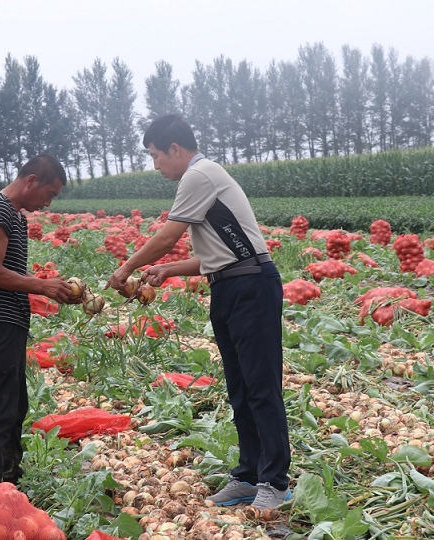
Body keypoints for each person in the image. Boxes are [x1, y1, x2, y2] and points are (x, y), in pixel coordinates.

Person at [107, 114, 292, 510]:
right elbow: (217, 256)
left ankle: (275, 482)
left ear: (175, 149)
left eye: (156, 155)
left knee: (261, 387)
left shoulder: (199, 174)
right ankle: (248, 476)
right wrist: (169, 270)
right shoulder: (202, 178)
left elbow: (167, 236)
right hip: (230, 285)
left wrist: (127, 267)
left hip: (251, 286)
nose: (156, 164)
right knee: (240, 388)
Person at [0, 154, 74, 486]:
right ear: (31, 181)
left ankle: (9, 480)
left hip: (8, 323)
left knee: (14, 406)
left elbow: (10, 271)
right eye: (49, 194)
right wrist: (42, 286)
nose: (47, 203)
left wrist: (51, 288)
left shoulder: (14, 215)